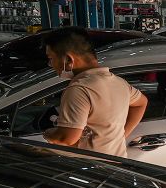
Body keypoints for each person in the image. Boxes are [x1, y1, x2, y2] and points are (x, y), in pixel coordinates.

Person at [42, 27, 148, 157]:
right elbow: (142, 103)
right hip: (116, 163)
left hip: (90, 166)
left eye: (51, 58)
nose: (51, 64)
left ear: (68, 59)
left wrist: (48, 134)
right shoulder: (120, 83)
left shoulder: (79, 89)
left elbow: (67, 138)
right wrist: (120, 135)